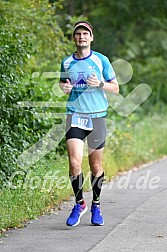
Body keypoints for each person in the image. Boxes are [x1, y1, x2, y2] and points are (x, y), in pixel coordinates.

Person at [59, 21, 119, 227]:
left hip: (97, 116)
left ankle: (96, 204)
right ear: (74, 38)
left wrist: (100, 84)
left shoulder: (101, 60)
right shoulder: (67, 62)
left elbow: (116, 88)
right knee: (74, 163)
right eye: (78, 34)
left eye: (85, 33)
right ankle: (79, 204)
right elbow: (62, 83)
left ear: (91, 37)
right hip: (75, 115)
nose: (81, 37)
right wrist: (64, 88)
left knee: (96, 166)